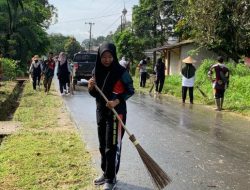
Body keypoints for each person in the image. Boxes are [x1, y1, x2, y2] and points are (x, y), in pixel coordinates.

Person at [88, 42, 134, 190]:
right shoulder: (97, 70)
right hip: (101, 111)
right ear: (99, 57)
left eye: (110, 56)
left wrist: (116, 101)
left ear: (114, 56)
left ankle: (111, 178)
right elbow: (95, 93)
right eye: (104, 57)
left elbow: (130, 89)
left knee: (111, 146)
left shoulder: (121, 72)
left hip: (116, 113)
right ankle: (105, 172)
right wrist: (90, 87)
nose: (107, 60)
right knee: (102, 145)